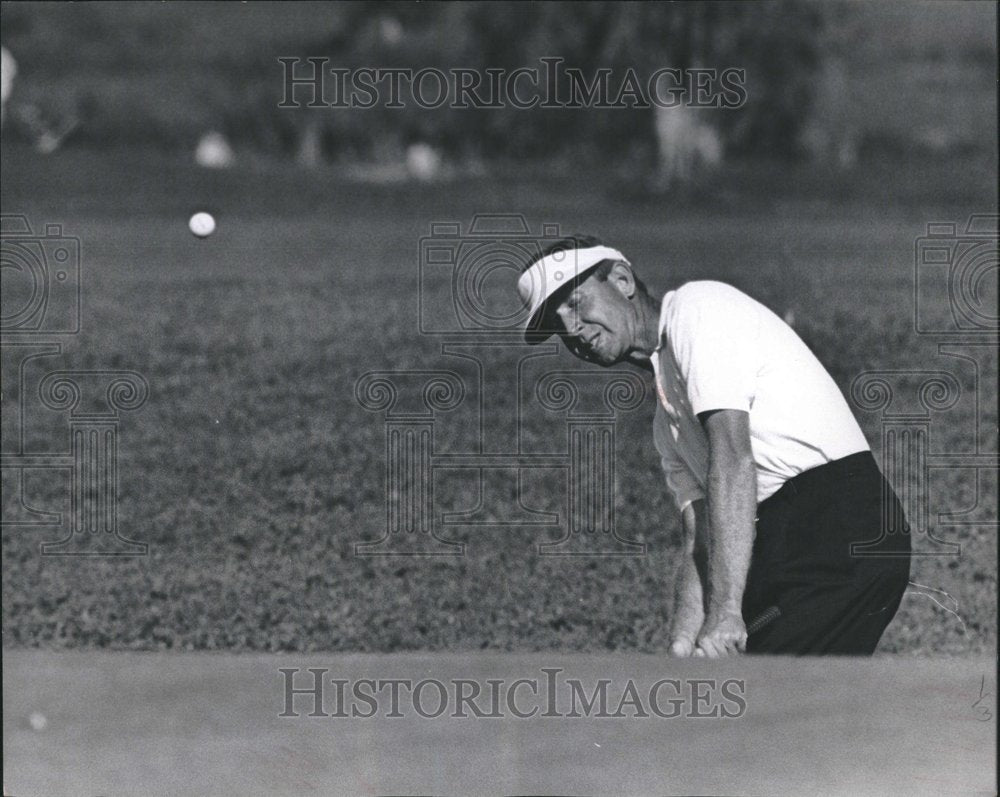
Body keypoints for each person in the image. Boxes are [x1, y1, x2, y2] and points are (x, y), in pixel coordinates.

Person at [517, 235, 911, 656]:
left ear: (621, 279)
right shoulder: (665, 420)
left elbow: (734, 462)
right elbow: (699, 541)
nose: (571, 330)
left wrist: (725, 613)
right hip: (786, 546)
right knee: (761, 705)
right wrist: (682, 644)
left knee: (770, 707)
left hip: (837, 528)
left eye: (576, 304)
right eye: (558, 326)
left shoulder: (698, 310)